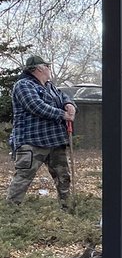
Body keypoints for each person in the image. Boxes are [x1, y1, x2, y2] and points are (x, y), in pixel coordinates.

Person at [5, 54, 76, 209]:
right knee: (23, 178)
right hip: (31, 142)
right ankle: (10, 212)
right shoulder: (23, 85)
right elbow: (36, 106)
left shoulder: (49, 86)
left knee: (63, 178)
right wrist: (62, 114)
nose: (49, 69)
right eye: (47, 66)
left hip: (55, 141)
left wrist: (69, 104)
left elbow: (63, 96)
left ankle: (68, 210)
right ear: (38, 68)